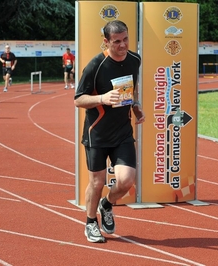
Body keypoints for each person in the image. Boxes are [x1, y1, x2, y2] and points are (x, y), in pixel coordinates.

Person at [74, 20, 145, 243]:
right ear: (106, 42)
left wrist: (135, 107)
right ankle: (90, 223)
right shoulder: (96, 65)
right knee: (97, 182)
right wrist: (102, 98)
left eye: (125, 40)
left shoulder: (135, 59)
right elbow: (78, 100)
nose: (122, 45)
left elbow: (133, 87)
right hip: (98, 133)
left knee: (126, 181)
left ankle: (107, 204)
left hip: (122, 132)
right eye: (117, 41)